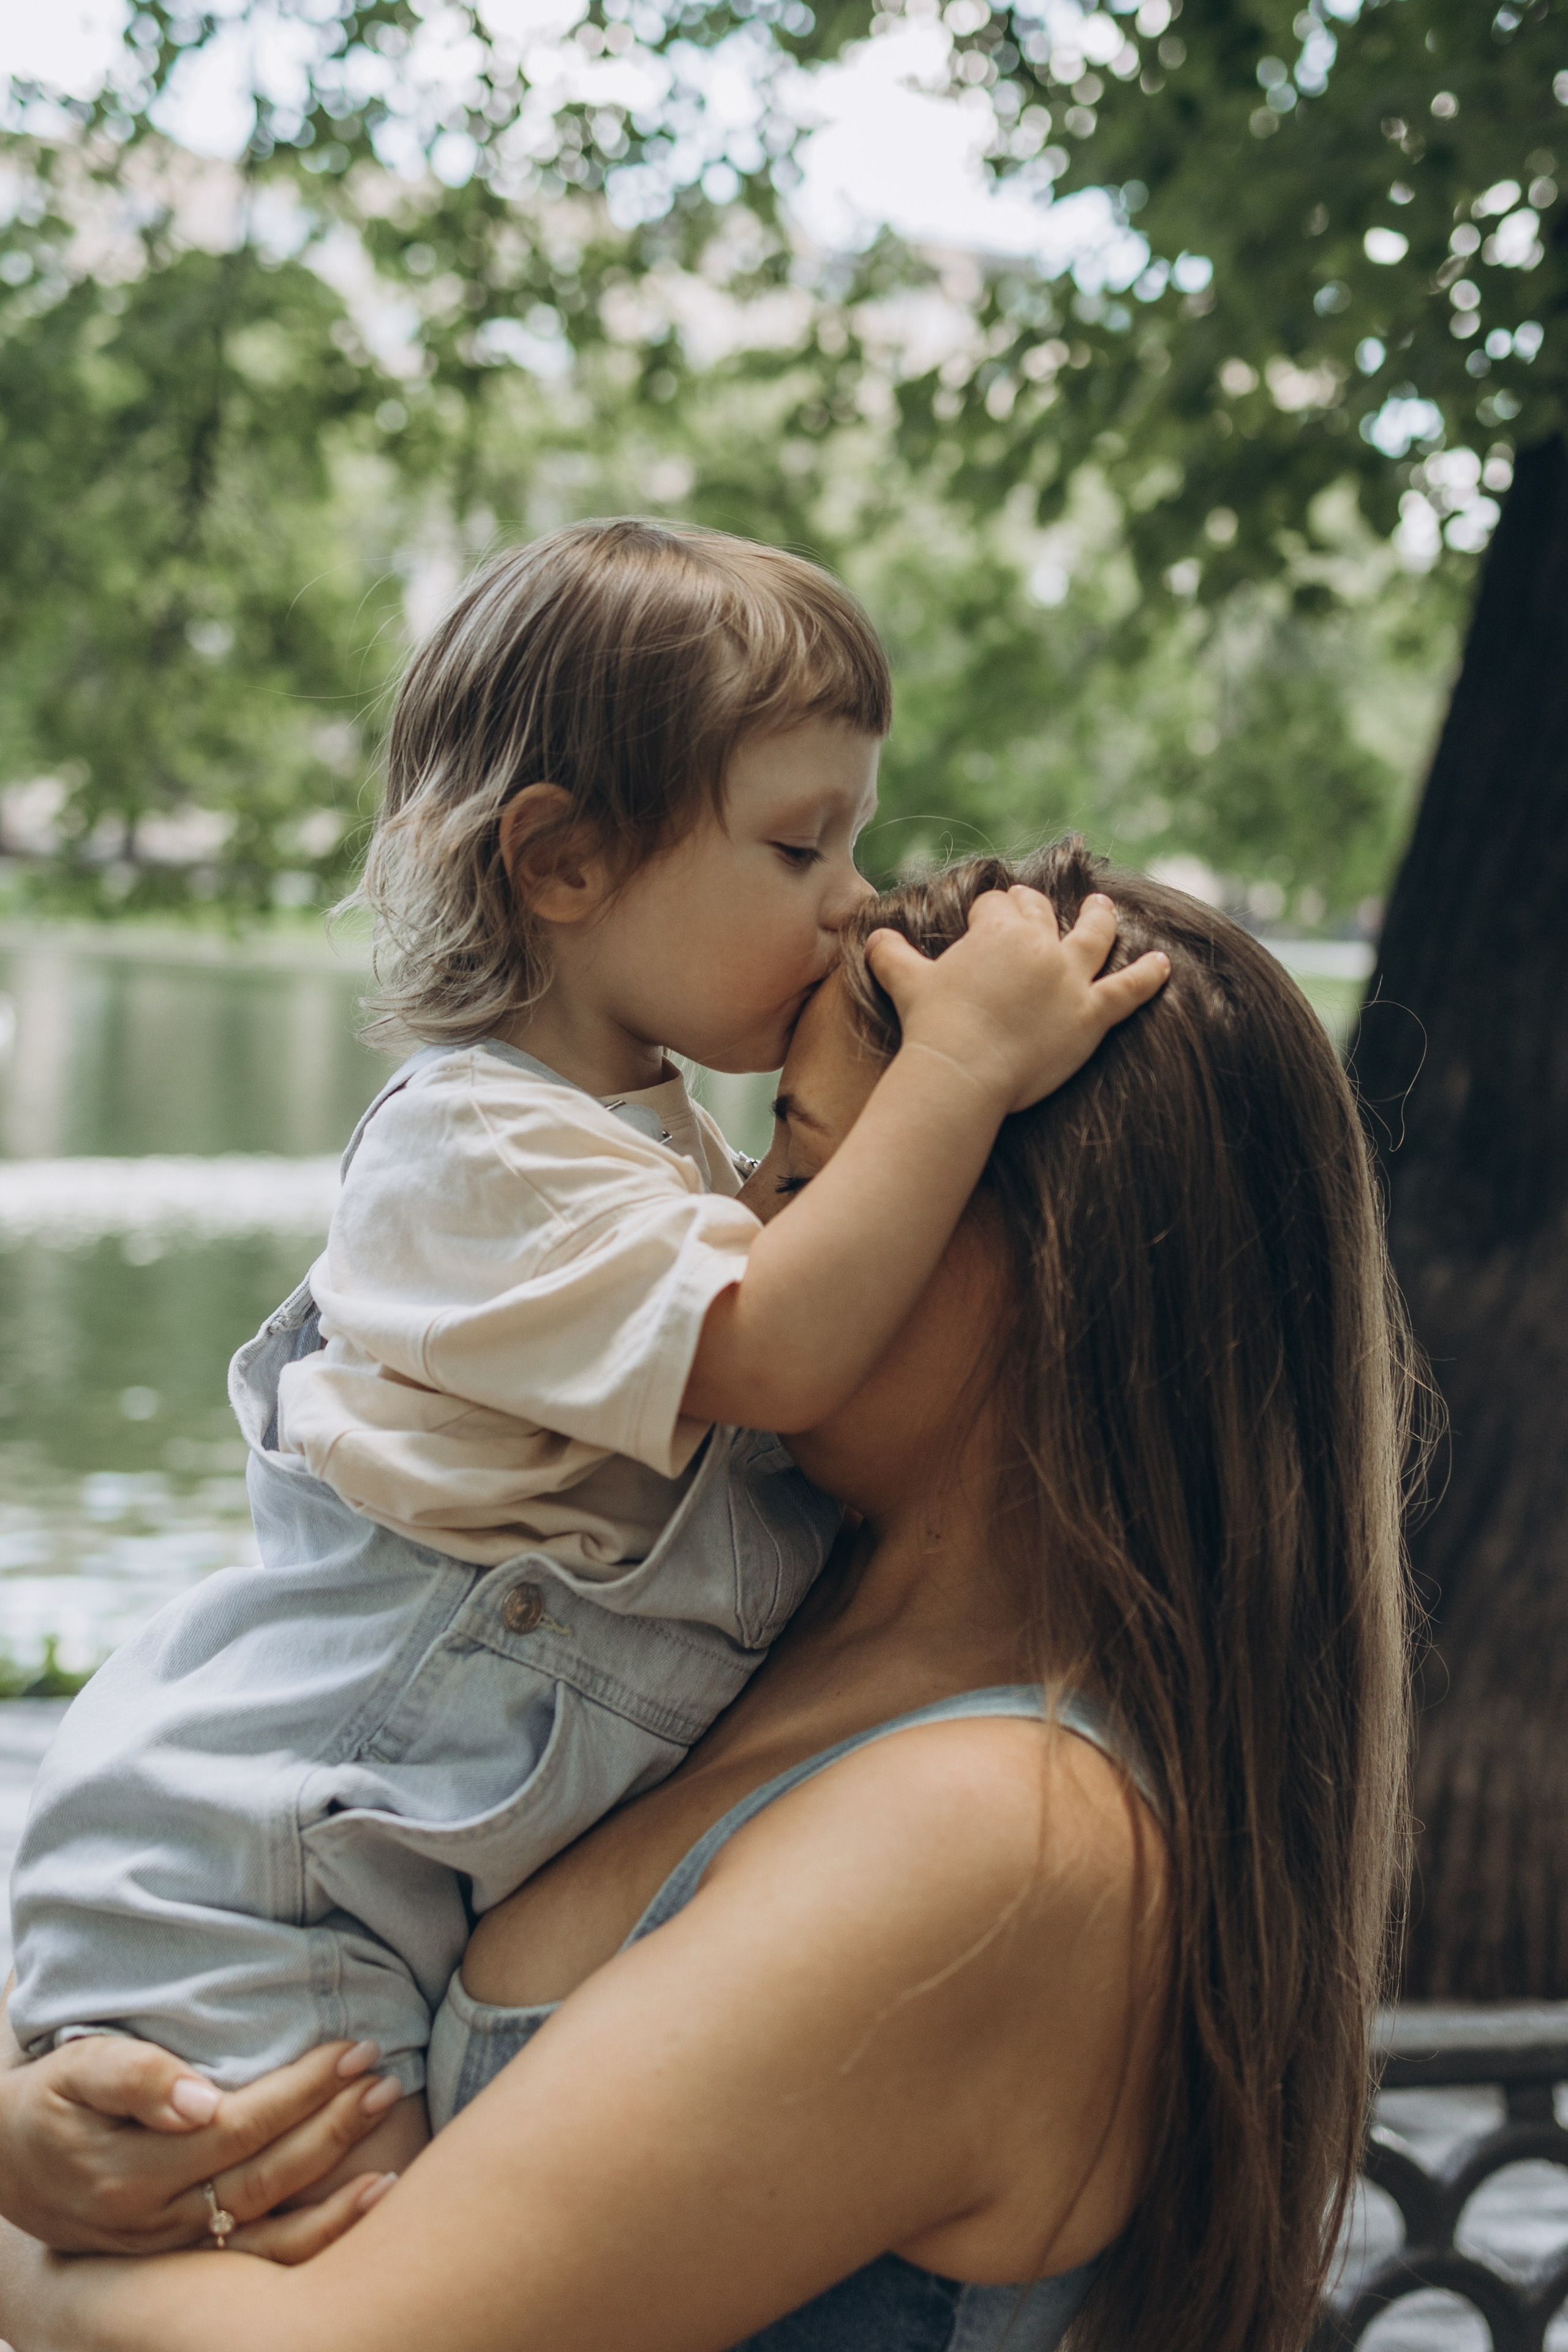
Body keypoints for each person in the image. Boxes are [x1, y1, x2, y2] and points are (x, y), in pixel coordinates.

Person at [0, 846, 1414, 2352]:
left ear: (1041, 1265)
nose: (739, 1221)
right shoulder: (722, 1613)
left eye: (804, 1167)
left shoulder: (1005, 1838)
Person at [6, 521, 1168, 2187]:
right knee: (307, 2257)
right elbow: (773, 1350)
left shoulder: (649, 1152)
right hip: (263, 1881)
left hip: (369, 1878)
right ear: (559, 862)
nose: (848, 904)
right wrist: (961, 1072)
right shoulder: (478, 1149)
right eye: (796, 845)